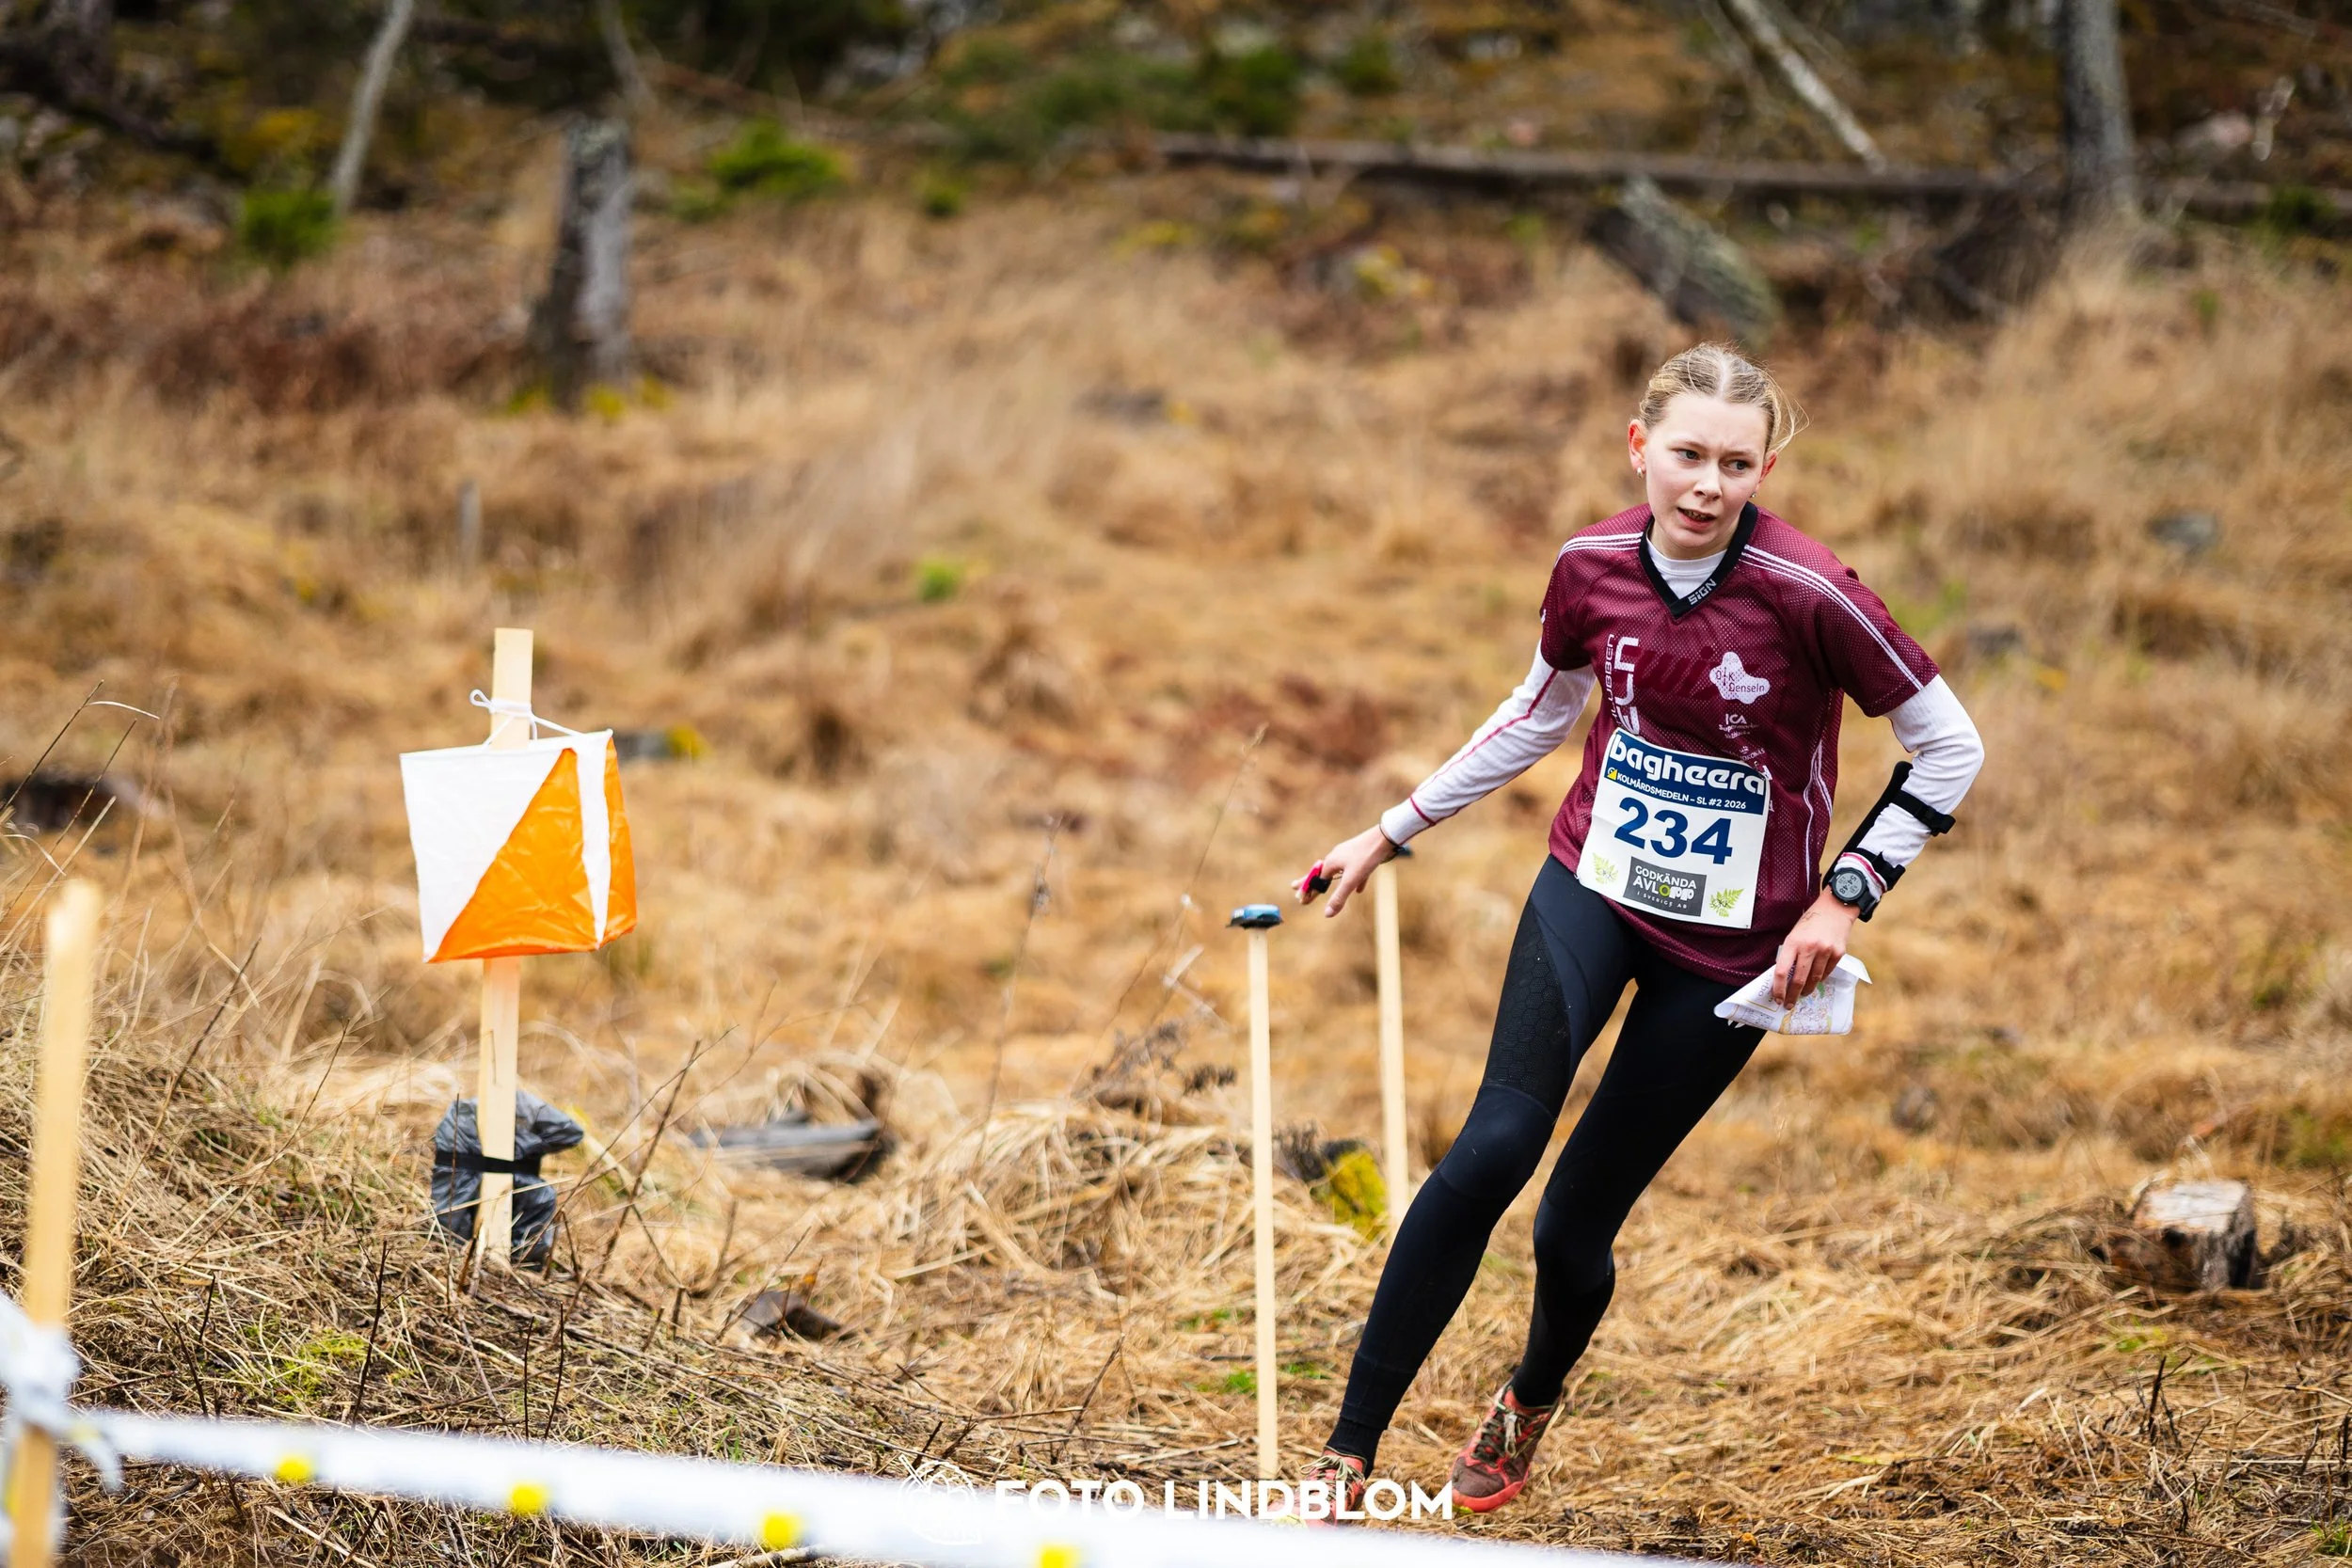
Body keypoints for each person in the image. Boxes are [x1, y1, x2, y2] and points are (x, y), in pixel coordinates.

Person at [1294, 342, 1985, 1517]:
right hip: (1594, 887)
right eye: (1686, 454)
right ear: (1638, 447)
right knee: (1492, 1147)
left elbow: (1949, 744)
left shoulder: (1811, 590)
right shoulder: (1591, 565)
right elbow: (1538, 714)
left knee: (1573, 1223)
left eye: (1735, 463)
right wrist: (1389, 829)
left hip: (1731, 952)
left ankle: (1529, 1396)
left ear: (1764, 469)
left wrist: (1845, 893)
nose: (1708, 484)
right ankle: (1345, 1454)